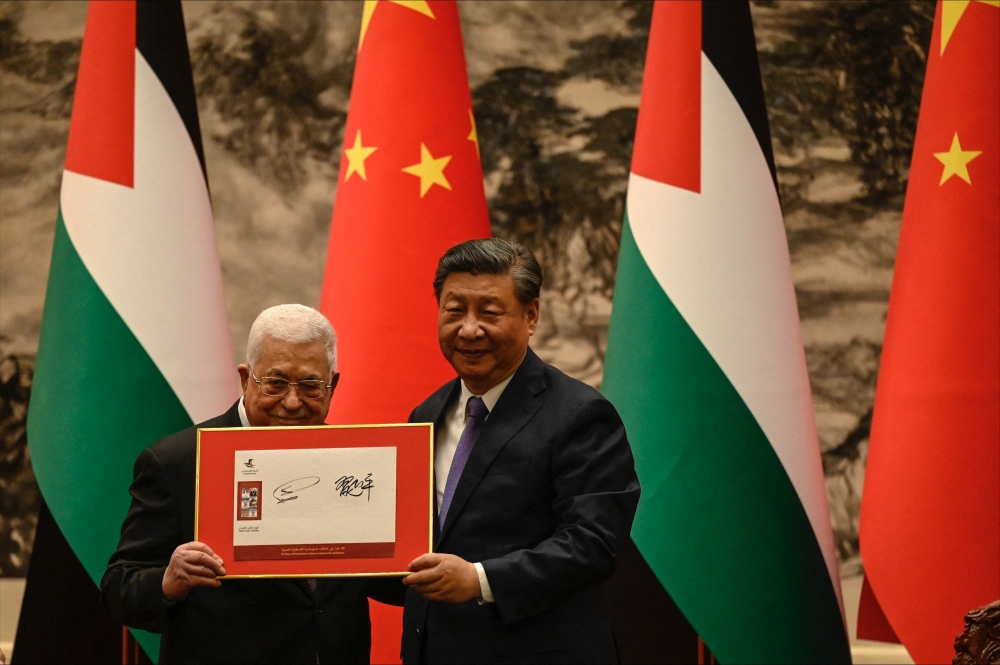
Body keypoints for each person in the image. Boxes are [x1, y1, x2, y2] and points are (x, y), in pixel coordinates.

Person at [102, 304, 402, 664]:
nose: (292, 403)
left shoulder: (356, 464)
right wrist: (169, 579)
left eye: (310, 386)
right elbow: (119, 589)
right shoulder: (178, 462)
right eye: (275, 383)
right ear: (246, 378)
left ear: (332, 385)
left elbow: (378, 579)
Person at [400, 239, 641, 664]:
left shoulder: (581, 415)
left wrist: (479, 579)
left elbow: (594, 543)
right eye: (454, 311)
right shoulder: (426, 414)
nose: (469, 329)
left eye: (489, 312)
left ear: (531, 316)